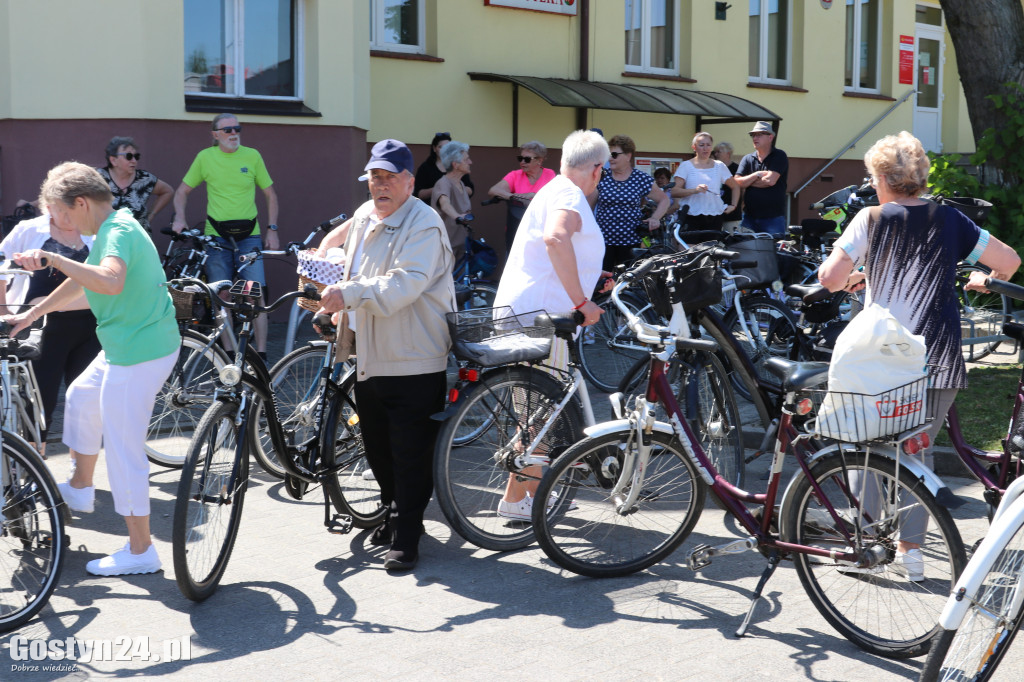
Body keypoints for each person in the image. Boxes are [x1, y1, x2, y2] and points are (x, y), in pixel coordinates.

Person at [819, 131, 1020, 578]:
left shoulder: (870, 219)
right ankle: (912, 557)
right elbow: (1008, 261)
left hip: (882, 360)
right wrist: (982, 279)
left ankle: (867, 547)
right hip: (938, 358)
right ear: (920, 177)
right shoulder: (950, 220)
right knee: (915, 453)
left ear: (880, 177)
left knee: (865, 448)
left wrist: (859, 275)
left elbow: (830, 278)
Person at [4, 162, 180, 576]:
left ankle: (141, 551)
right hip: (126, 343)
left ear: (80, 203)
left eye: (59, 214)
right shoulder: (111, 226)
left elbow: (110, 280)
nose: (56, 222)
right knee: (82, 397)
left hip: (139, 352)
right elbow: (84, 282)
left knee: (123, 450)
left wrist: (53, 258)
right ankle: (81, 490)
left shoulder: (117, 231)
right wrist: (33, 314)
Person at [318, 139, 456, 572]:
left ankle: (407, 533)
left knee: (408, 450)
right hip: (370, 353)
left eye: (389, 178)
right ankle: (394, 513)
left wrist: (347, 293)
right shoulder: (365, 215)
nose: (380, 186)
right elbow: (346, 262)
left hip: (414, 353)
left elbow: (403, 285)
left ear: (410, 183)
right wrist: (329, 301)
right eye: (374, 178)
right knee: (377, 445)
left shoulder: (425, 223)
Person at [492, 129, 608, 520]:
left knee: (536, 414)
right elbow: (556, 240)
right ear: (596, 168)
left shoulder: (553, 189)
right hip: (543, 317)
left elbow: (560, 248)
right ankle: (521, 501)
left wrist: (593, 274)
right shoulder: (570, 195)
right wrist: (582, 301)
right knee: (543, 413)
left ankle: (519, 499)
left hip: (523, 311)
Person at [170, 114, 279, 360]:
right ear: (215, 134)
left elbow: (270, 194)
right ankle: (228, 355)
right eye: (227, 129)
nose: (233, 133)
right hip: (217, 238)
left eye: (237, 128)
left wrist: (272, 228)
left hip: (248, 236)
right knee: (222, 295)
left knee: (255, 294)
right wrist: (179, 217)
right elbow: (181, 192)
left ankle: (260, 354)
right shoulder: (205, 158)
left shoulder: (252, 156)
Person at [0, 206, 101, 457]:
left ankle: (79, 476)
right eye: (63, 206)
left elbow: (101, 281)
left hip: (89, 326)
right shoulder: (30, 229)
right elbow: (1, 264)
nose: (71, 214)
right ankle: (35, 464)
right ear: (50, 204)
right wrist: (2, 311)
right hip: (41, 329)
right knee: (39, 400)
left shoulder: (92, 231)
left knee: (86, 401)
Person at [590, 134, 670, 272]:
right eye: (608, 154)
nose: (610, 158)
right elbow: (589, 206)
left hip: (630, 241)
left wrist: (655, 218)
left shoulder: (640, 178)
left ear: (628, 156)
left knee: (628, 282)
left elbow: (664, 200)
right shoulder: (602, 176)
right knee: (601, 280)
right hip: (603, 241)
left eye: (614, 154)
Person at [487, 141, 556, 252]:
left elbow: (554, 196)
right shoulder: (515, 175)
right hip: (517, 229)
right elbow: (493, 191)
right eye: (520, 158)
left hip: (541, 230)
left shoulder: (549, 174)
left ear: (540, 160)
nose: (522, 162)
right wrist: (518, 197)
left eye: (527, 159)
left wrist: (535, 196)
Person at [96, 136, 173, 232]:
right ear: (113, 160)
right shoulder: (98, 178)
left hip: (138, 240)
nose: (134, 161)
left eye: (136, 156)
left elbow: (167, 191)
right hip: (107, 239)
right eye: (128, 156)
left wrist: (151, 214)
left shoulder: (145, 179)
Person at [671, 132, 739, 232]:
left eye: (708, 145)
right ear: (694, 147)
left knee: (712, 247)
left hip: (715, 215)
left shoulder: (719, 165)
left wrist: (733, 206)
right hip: (691, 214)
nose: (705, 148)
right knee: (689, 247)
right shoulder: (686, 165)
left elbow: (735, 187)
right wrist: (694, 190)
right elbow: (674, 191)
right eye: (701, 145)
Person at [734, 121, 788, 237]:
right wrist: (756, 175)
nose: (755, 138)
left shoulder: (779, 156)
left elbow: (770, 181)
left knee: (774, 253)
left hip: (773, 218)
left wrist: (748, 182)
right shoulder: (748, 158)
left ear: (770, 137)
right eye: (753, 135)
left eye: (759, 135)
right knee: (747, 252)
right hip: (749, 217)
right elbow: (737, 182)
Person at [431, 140, 474, 262]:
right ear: (455, 164)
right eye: (466, 159)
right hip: (446, 249)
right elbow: (445, 204)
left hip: (462, 246)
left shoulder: (460, 183)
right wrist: (457, 217)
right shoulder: (443, 184)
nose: (470, 162)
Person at [413, 132, 474, 202]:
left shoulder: (458, 164)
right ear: (434, 148)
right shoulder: (425, 167)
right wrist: (438, 189)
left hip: (457, 207)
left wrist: (456, 189)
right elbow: (418, 194)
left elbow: (470, 189)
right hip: (432, 209)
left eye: (447, 147)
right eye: (440, 147)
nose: (444, 150)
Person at [714, 141, 743, 233]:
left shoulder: (737, 169)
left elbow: (742, 190)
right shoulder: (712, 168)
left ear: (728, 153)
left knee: (732, 242)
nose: (716, 154)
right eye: (715, 152)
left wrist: (737, 206)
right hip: (714, 215)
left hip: (732, 215)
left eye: (719, 152)